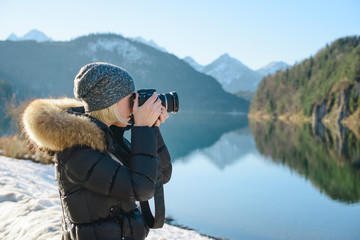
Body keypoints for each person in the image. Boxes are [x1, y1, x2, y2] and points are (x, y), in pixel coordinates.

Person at [22, 62, 172, 240]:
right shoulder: (76, 151)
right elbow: (140, 189)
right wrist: (143, 127)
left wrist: (151, 127)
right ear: (110, 102)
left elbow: (161, 175)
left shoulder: (110, 138)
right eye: (131, 98)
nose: (135, 105)